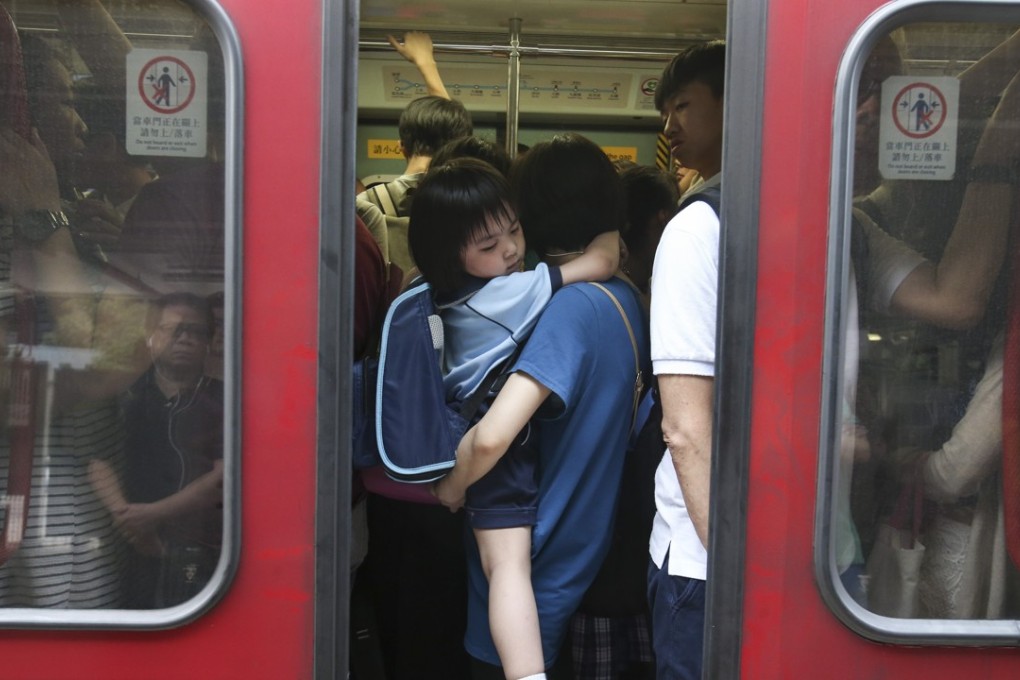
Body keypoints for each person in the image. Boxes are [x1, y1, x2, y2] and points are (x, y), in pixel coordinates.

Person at [433, 133, 646, 679]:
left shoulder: (569, 309)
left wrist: (451, 488)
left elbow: (491, 436)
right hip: (585, 559)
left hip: (537, 565)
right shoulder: (624, 298)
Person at [645, 40, 725, 680]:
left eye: (684, 106)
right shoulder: (699, 225)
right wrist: (738, 569)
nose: (669, 127)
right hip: (711, 560)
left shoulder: (832, 214)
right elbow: (685, 430)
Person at [89, 293, 224, 608]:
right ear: (152, 337)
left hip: (205, 553)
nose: (185, 339)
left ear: (210, 341)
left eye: (196, 331)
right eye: (173, 330)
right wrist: (135, 527)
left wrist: (151, 516)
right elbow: (97, 461)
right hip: (129, 550)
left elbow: (223, 480)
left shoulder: (224, 398)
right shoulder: (125, 395)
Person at [357, 32, 472, 272]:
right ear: (458, 147)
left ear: (401, 147)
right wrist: (426, 63)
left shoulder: (367, 204)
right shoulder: (470, 200)